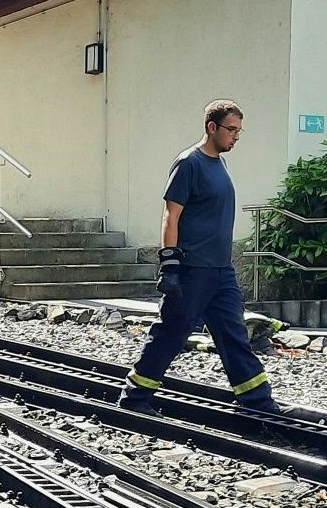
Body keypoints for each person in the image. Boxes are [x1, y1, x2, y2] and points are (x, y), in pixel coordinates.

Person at [119, 100, 279, 414]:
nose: (236, 137)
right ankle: (135, 398)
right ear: (211, 127)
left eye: (239, 131)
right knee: (172, 333)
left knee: (233, 333)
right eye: (231, 130)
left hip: (221, 270)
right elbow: (170, 216)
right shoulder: (188, 163)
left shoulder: (218, 163)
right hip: (192, 269)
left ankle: (257, 400)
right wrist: (170, 264)